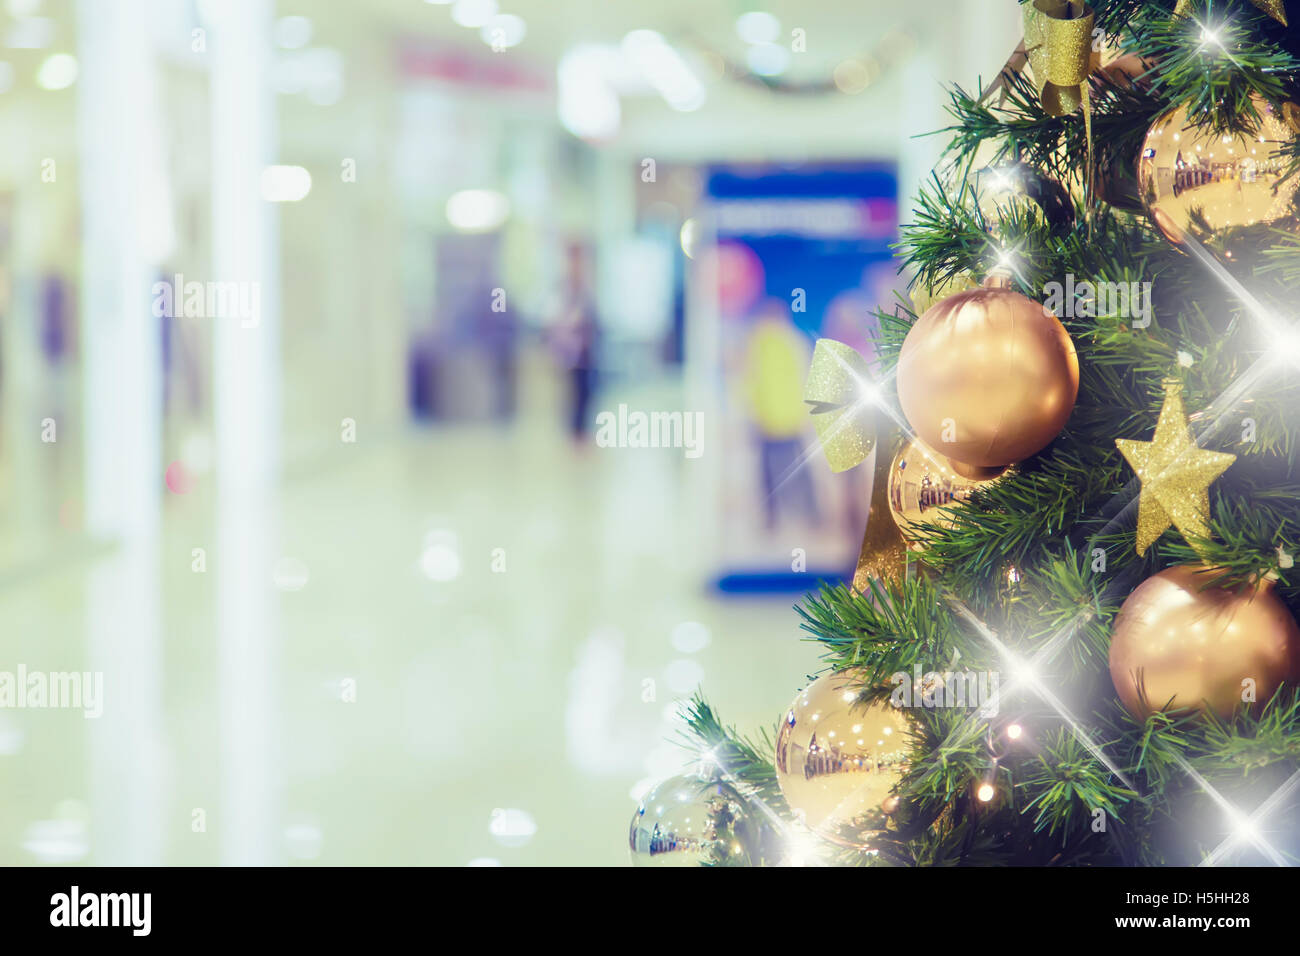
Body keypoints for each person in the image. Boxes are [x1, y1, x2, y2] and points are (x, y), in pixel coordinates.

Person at [741, 300, 817, 529]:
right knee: (796, 470)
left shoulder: (758, 343)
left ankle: (774, 518)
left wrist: (752, 413)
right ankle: (809, 514)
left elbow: (749, 382)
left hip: (772, 418)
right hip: (785, 418)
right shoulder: (792, 340)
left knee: (768, 473)